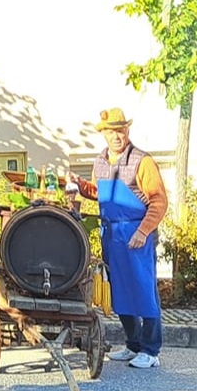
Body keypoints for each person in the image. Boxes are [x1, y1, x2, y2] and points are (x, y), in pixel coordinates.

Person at [69, 107, 168, 369]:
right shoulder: (100, 161)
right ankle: (133, 344)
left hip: (136, 234)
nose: (117, 136)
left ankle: (151, 349)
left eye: (121, 130)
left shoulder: (142, 161)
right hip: (111, 233)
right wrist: (80, 185)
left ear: (128, 131)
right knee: (120, 291)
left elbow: (159, 201)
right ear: (104, 134)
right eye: (112, 132)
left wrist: (143, 231)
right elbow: (100, 194)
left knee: (144, 291)